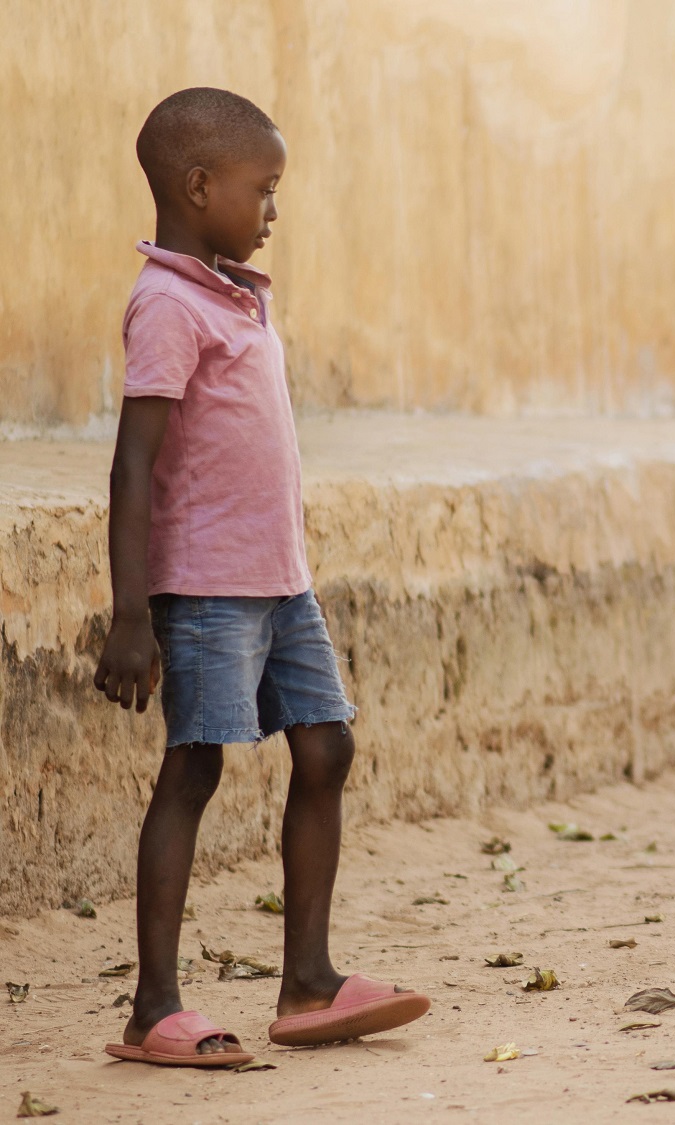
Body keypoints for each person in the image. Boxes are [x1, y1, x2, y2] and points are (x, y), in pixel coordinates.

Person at [94, 88, 429, 1066]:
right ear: (200, 187)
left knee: (325, 751)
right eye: (264, 189)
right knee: (195, 766)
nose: (274, 210)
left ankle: (310, 982)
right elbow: (132, 463)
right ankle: (154, 1008)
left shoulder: (235, 294)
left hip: (281, 581)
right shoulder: (164, 304)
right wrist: (128, 612)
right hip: (204, 587)